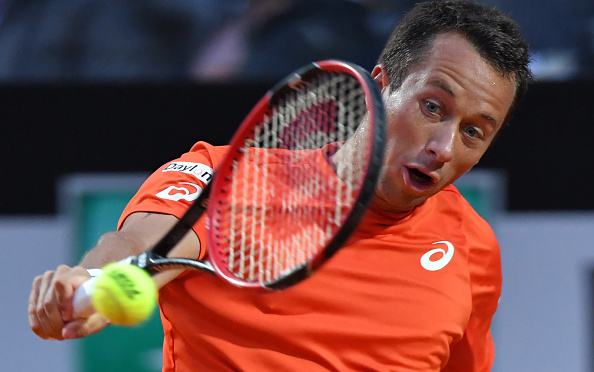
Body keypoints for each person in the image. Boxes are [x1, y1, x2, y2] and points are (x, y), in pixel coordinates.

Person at [28, 0, 532, 370]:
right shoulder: (232, 179)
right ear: (381, 84)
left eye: (473, 132)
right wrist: (86, 282)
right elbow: (143, 246)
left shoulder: (473, 248)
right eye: (432, 107)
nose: (444, 146)